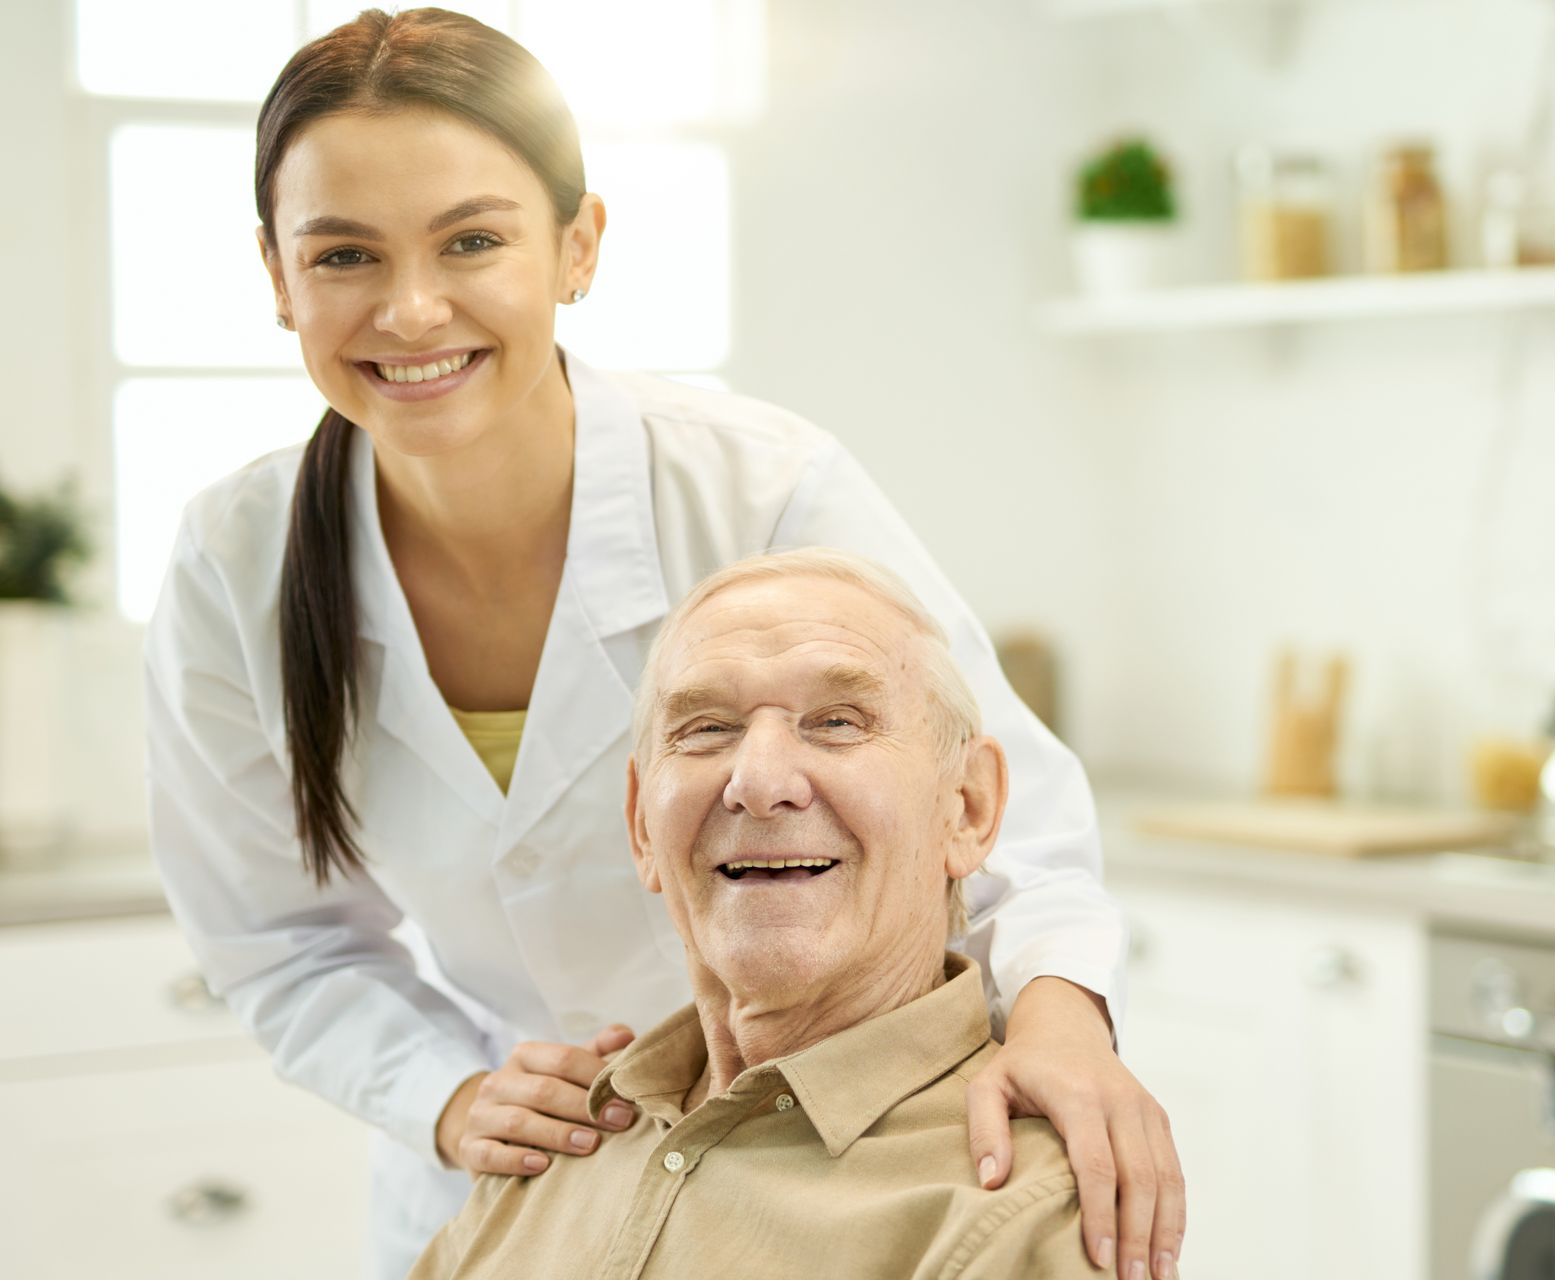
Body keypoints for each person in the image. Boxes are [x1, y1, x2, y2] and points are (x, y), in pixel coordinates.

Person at [143, 8, 1183, 1279]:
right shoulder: (231, 563)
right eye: (345, 254)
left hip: (803, 1131)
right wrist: (451, 1092)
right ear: (275, 276)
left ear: (577, 247)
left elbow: (996, 799)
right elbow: (275, 938)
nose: (411, 310)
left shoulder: (759, 488)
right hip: (509, 1162)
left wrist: (1066, 1025)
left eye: (472, 239)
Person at [413, 549, 1111, 1279]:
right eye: (706, 728)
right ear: (642, 827)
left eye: (838, 722)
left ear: (966, 808)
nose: (758, 781)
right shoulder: (550, 1146)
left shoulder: (1027, 1215)